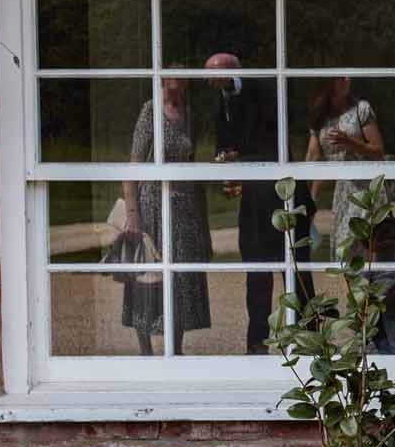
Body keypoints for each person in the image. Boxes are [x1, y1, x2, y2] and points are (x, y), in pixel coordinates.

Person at [120, 74, 212, 356]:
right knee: (148, 275)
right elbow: (134, 165)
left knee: (181, 278)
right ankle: (145, 349)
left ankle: (176, 348)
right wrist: (132, 213)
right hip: (152, 206)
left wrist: (204, 224)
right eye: (171, 78)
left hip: (185, 206)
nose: (177, 83)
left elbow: (193, 166)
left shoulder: (190, 115)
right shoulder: (150, 111)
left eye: (183, 78)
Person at [204, 53, 282, 353]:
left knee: (294, 269)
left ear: (227, 71)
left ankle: (309, 339)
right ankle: (257, 343)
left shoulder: (264, 91)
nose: (207, 82)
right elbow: (224, 141)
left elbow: (274, 143)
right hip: (251, 198)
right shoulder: (220, 101)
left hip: (279, 194)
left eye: (210, 75)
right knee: (255, 268)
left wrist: (243, 161)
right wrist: (228, 167)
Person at [302, 77, 383, 258]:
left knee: (367, 247)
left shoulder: (361, 109)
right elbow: (314, 159)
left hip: (367, 188)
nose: (347, 79)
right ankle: (353, 288)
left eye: (348, 75)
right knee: (344, 252)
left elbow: (378, 152)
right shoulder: (321, 119)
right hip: (343, 193)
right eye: (340, 77)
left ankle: (371, 284)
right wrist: (309, 197)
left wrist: (350, 142)